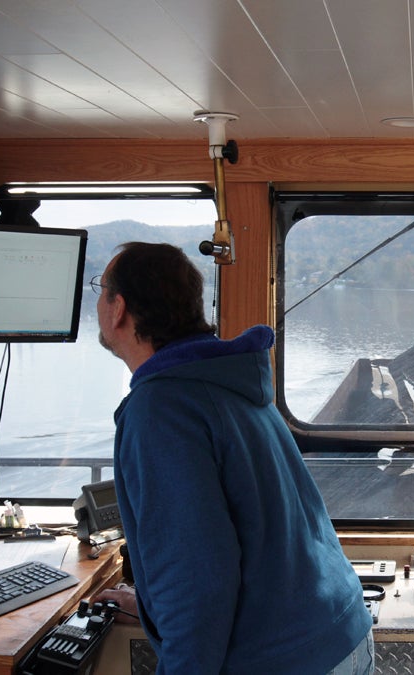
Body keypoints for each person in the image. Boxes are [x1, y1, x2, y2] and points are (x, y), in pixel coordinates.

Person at [89, 242, 373, 674]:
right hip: (339, 633)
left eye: (101, 289)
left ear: (118, 309)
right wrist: (148, 607)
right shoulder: (231, 381)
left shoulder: (161, 409)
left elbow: (197, 582)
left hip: (283, 659)